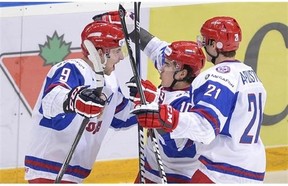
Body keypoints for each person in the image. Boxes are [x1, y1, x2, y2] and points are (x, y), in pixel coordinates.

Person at [132, 16, 267, 183]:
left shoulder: (218, 77)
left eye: (205, 40)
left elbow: (205, 127)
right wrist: (131, 27)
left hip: (224, 168)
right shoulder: (249, 74)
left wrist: (161, 112)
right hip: (252, 163)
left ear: (214, 45)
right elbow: (158, 50)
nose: (201, 44)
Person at [93, 11, 206, 183]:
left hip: (177, 177)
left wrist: (152, 104)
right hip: (150, 170)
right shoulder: (177, 71)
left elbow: (174, 148)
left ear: (182, 73)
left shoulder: (188, 103)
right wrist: (129, 27)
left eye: (166, 65)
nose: (160, 68)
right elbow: (153, 46)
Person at [24, 21, 138, 183]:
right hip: (48, 170)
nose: (121, 57)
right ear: (100, 53)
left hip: (73, 174)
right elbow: (51, 99)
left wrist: (147, 105)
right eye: (117, 51)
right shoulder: (71, 68)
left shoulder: (110, 81)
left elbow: (122, 117)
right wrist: (75, 99)